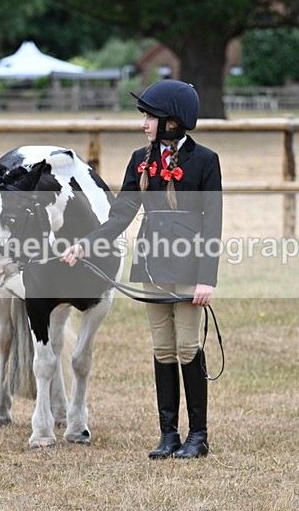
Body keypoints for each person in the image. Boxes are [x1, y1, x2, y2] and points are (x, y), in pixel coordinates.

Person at [62, 79, 223, 459]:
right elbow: (122, 213)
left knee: (187, 346)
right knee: (163, 348)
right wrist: (86, 243)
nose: (144, 124)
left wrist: (206, 278)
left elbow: (213, 222)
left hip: (189, 265)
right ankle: (168, 434)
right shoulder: (140, 159)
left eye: (150, 117)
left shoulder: (205, 160)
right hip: (152, 263)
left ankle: (198, 436)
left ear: (172, 121)